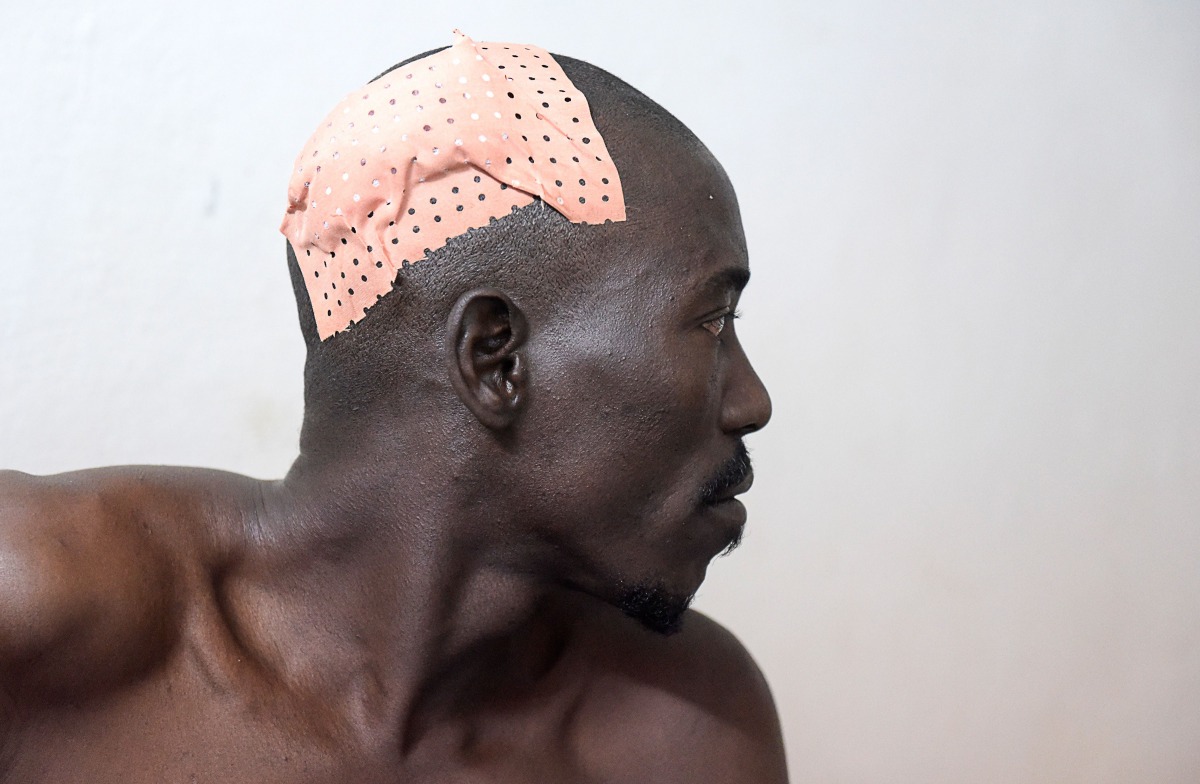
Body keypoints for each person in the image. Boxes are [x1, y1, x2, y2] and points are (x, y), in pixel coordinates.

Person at [0, 33, 785, 783]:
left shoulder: (683, 736)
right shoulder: (39, 606)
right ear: (495, 359)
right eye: (712, 322)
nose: (754, 404)